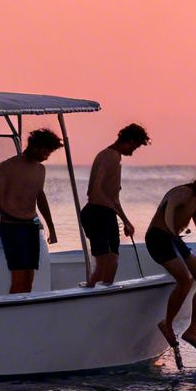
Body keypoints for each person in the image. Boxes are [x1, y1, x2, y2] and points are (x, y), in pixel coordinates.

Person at [145, 167, 196, 359]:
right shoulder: (182, 192)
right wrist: (173, 234)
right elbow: (168, 211)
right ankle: (167, 324)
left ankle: (192, 331)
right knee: (185, 280)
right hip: (158, 239)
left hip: (173, 240)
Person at [0, 128, 62, 294]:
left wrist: (51, 227)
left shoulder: (40, 170)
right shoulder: (8, 166)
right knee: (18, 276)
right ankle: (13, 312)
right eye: (46, 151)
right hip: (11, 225)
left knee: (29, 276)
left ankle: (24, 308)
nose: (47, 156)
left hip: (31, 225)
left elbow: (40, 197)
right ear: (36, 147)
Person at [80, 123, 149, 287]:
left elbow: (113, 198)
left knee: (112, 259)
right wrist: (110, 208)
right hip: (95, 213)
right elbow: (95, 192)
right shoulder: (108, 156)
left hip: (106, 212)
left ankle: (98, 288)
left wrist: (126, 221)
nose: (134, 151)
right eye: (135, 146)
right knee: (107, 260)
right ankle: (95, 289)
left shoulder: (115, 157)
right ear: (129, 140)